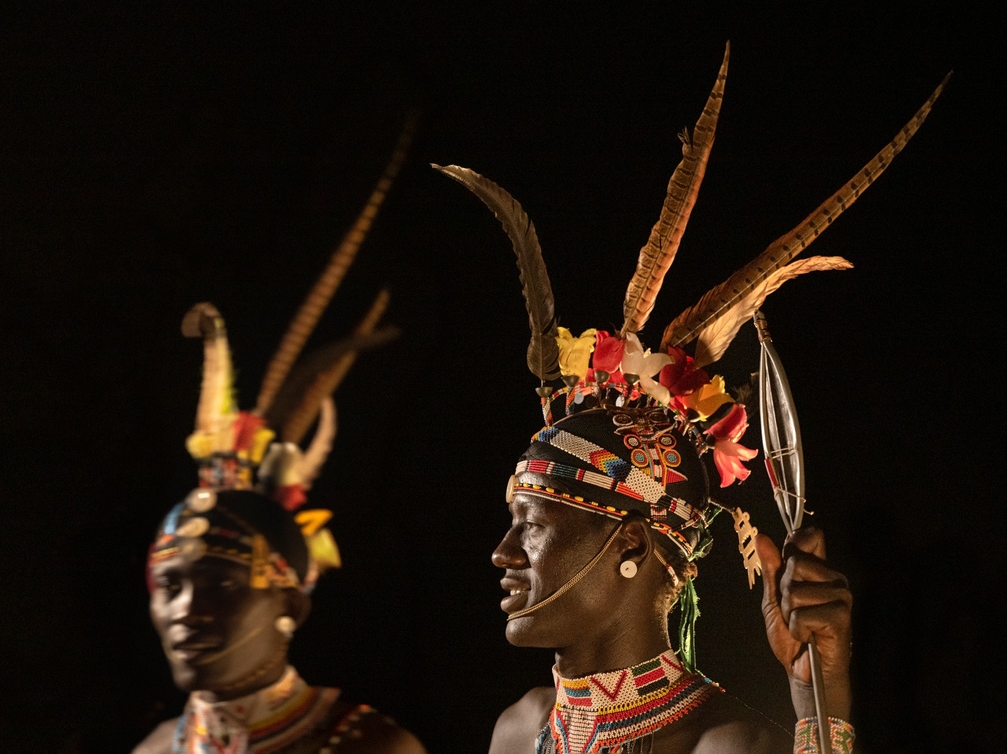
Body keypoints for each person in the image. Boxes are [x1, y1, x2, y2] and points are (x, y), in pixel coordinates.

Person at [435, 44, 945, 753]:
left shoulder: (724, 745)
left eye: (536, 524)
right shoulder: (519, 732)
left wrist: (820, 702)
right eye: (516, 523)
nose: (502, 553)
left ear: (634, 545)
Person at [133, 120, 428, 754]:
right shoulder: (154, 748)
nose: (187, 609)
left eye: (221, 583)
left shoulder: (369, 746)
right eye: (172, 586)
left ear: (293, 603)